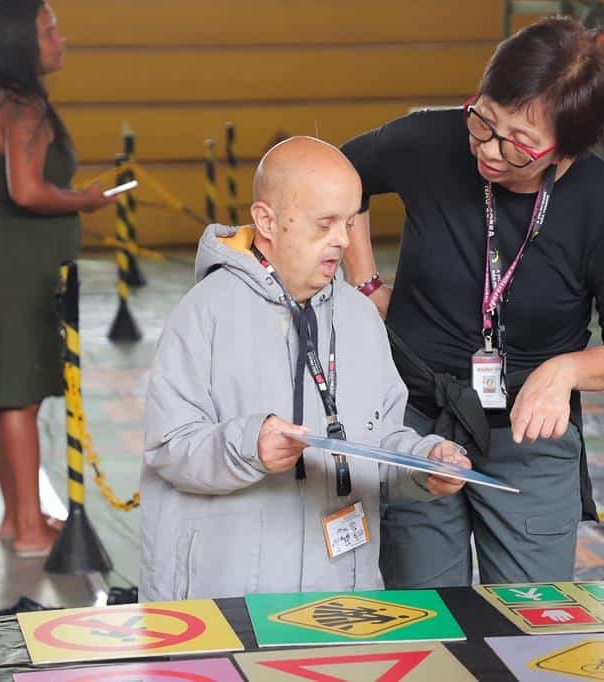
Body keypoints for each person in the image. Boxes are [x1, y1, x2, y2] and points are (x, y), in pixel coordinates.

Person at [340, 16, 604, 587]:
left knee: (532, 617)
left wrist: (566, 371)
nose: (488, 149)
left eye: (519, 144)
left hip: (530, 439)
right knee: (427, 619)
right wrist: (365, 283)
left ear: (569, 148)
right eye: (484, 119)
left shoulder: (598, 200)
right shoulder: (430, 141)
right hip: (418, 423)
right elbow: (341, 174)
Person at [139, 137, 471, 601]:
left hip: (339, 595)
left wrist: (424, 464)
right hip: (228, 597)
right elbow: (169, 448)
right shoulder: (205, 312)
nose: (343, 239)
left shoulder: (359, 317)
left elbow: (379, 440)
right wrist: (248, 445)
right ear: (267, 221)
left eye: (350, 222)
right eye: (325, 224)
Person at [0, 0, 114, 557]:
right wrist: (87, 200)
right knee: (20, 398)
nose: (61, 39)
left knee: (6, 398)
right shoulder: (25, 109)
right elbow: (26, 191)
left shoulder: (5, 101)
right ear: (25, 42)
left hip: (3, 261)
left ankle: (16, 517)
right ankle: (27, 527)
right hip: (18, 267)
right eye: (50, 30)